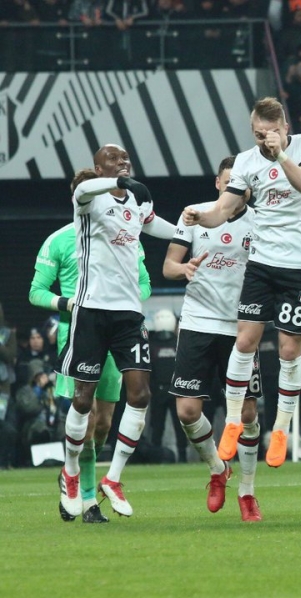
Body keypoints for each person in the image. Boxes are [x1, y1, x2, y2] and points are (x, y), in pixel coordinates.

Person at [182, 97, 301, 469]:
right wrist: (200, 218)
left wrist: (281, 155)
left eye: (270, 133)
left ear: (284, 128)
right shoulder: (245, 162)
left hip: (299, 267)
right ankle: (232, 421)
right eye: (258, 134)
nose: (264, 140)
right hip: (261, 264)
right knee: (244, 341)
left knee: (289, 351)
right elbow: (223, 210)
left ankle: (280, 429)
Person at [58, 144, 176, 519]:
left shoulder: (135, 200)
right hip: (91, 311)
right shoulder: (88, 199)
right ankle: (71, 471)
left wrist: (188, 233)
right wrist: (117, 182)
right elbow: (81, 190)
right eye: (113, 158)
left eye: (125, 158)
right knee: (83, 400)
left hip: (128, 314)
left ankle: (113, 477)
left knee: (140, 394)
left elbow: (152, 224)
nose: (122, 162)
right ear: (98, 168)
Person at [29, 168, 153, 521]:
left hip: (118, 329)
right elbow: (36, 292)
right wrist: (68, 303)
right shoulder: (59, 240)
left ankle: (80, 478)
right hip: (78, 330)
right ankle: (87, 500)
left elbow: (145, 284)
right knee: (88, 414)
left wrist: (128, 300)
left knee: (103, 425)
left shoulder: (125, 234)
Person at [164, 156, 263, 522]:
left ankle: (247, 492)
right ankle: (217, 469)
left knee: (247, 413)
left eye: (241, 184)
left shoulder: (261, 222)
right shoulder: (194, 214)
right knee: (187, 412)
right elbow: (168, 266)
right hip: (198, 321)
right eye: (228, 182)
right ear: (218, 184)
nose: (234, 188)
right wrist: (184, 268)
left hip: (241, 327)